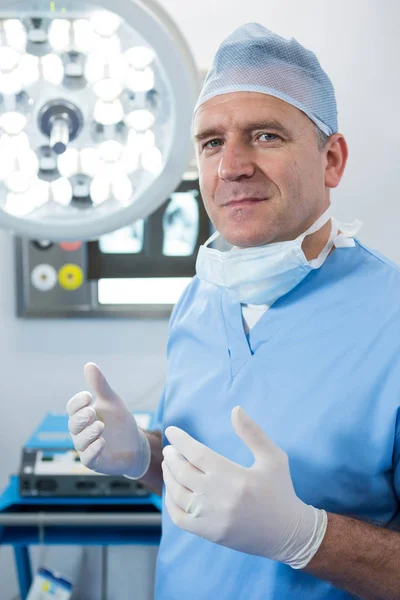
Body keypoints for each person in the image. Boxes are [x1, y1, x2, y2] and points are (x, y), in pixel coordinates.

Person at [67, 23, 400, 599]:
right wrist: (140, 455)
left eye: (265, 135)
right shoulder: (202, 297)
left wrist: (303, 536)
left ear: (332, 160)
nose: (232, 166)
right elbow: (200, 483)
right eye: (212, 142)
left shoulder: (388, 318)